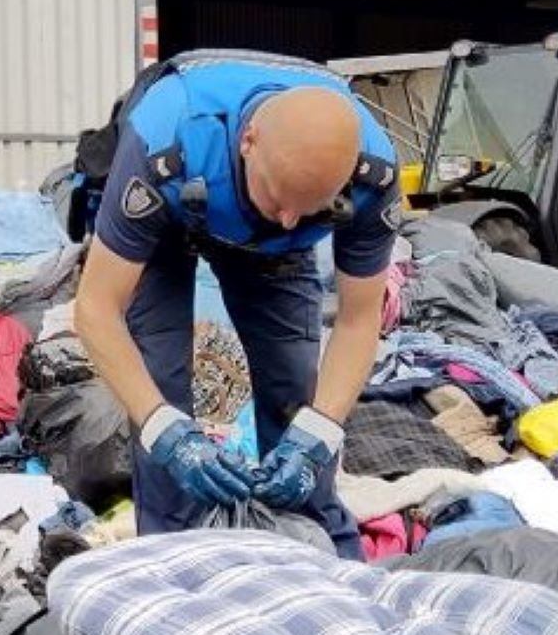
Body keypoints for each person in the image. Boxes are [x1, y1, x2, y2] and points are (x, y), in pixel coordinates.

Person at [72, 51, 402, 558]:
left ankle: (322, 554)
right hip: (173, 219)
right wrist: (168, 433)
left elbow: (359, 320)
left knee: (296, 396)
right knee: (161, 386)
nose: (291, 220)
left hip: (273, 255)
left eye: (313, 207)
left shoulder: (371, 173)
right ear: (249, 143)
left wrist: (319, 435)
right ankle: (173, 556)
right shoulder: (167, 140)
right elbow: (97, 309)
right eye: (279, 198)